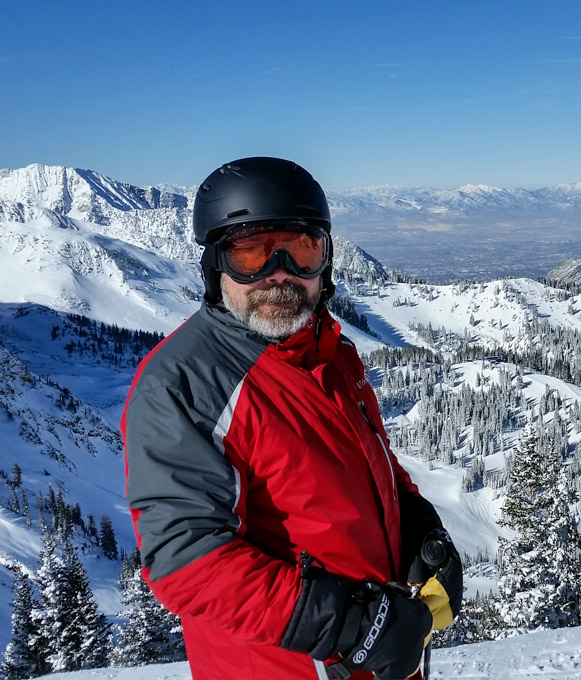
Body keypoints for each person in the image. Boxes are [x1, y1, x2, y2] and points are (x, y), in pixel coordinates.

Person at [121, 157, 462, 680]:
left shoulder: (330, 351)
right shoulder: (186, 381)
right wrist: (349, 625)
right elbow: (186, 560)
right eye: (251, 254)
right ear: (216, 265)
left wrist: (417, 526)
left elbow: (372, 467)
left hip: (376, 659)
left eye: (301, 251)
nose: (279, 274)